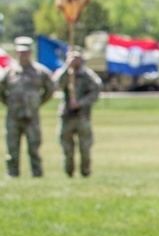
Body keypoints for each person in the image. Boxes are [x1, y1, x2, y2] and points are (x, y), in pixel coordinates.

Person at [1, 37, 55, 178]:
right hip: (13, 117)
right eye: (20, 52)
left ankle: (37, 174)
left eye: (25, 52)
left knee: (34, 148)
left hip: (32, 116)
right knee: (12, 148)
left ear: (30, 52)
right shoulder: (9, 72)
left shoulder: (40, 71)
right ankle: (12, 174)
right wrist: (9, 103)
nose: (23, 54)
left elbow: (50, 89)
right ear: (15, 52)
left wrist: (38, 102)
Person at [52, 47, 102, 177]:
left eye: (77, 58)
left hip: (82, 116)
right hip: (66, 116)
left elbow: (96, 92)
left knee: (85, 147)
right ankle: (69, 172)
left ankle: (85, 171)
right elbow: (55, 84)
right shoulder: (65, 74)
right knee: (67, 148)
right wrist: (67, 67)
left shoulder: (87, 75)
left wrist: (80, 103)